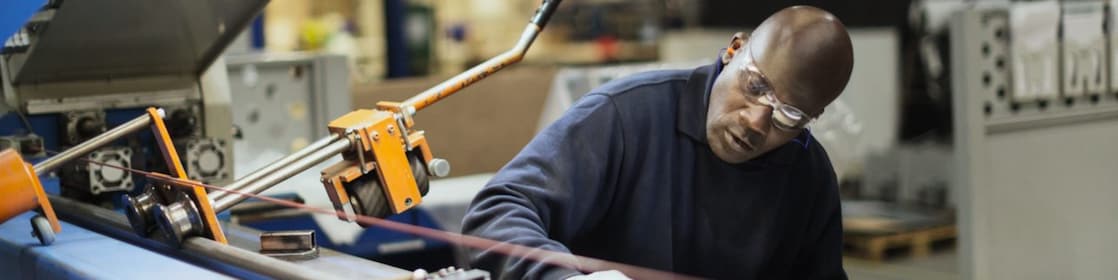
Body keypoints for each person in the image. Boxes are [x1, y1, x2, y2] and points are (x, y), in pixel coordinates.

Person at [461, 5, 854, 279]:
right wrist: (564, 278)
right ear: (734, 50)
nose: (755, 121)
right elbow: (497, 211)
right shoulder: (624, 116)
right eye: (755, 86)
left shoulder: (809, 175)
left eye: (788, 116)